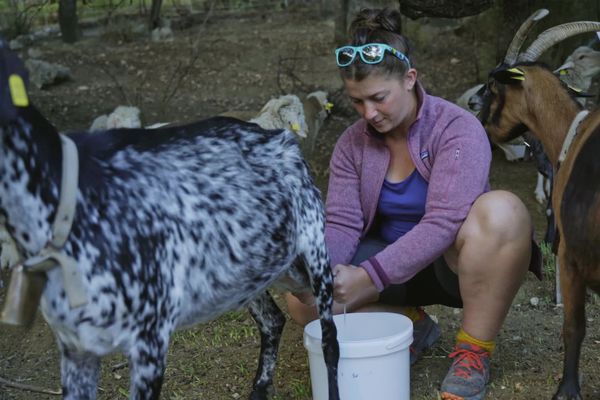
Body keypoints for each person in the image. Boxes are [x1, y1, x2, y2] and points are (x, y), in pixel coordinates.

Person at [285, 7, 542, 400]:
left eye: (378, 98)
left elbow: (443, 222)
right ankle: (410, 326)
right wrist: (321, 275)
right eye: (356, 102)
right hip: (388, 266)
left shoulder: (456, 128)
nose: (368, 114)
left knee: (504, 211)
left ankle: (473, 350)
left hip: (454, 266)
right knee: (302, 299)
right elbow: (341, 223)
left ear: (409, 79)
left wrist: (369, 277)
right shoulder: (352, 143)